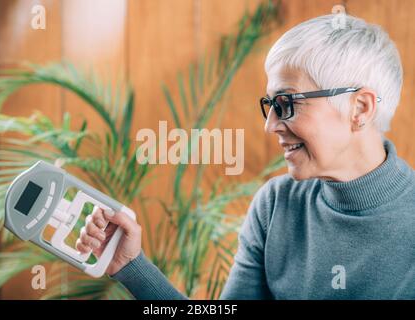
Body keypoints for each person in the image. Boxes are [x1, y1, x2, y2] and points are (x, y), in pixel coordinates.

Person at [76, 14, 415, 299]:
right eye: (270, 106)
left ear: (360, 108)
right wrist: (131, 266)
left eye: (286, 104)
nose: (271, 126)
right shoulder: (276, 205)